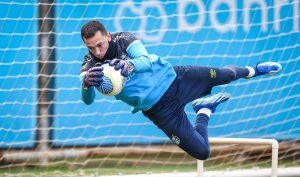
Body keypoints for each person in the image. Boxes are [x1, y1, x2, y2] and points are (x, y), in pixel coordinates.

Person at [79, 20, 282, 160]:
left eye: (99, 45)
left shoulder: (123, 38)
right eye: (91, 48)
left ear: (107, 36)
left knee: (225, 75)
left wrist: (131, 66)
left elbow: (147, 61)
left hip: (176, 79)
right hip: (160, 110)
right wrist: (86, 85)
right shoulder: (90, 67)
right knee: (202, 152)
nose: (97, 52)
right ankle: (205, 109)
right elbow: (87, 101)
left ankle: (254, 69)